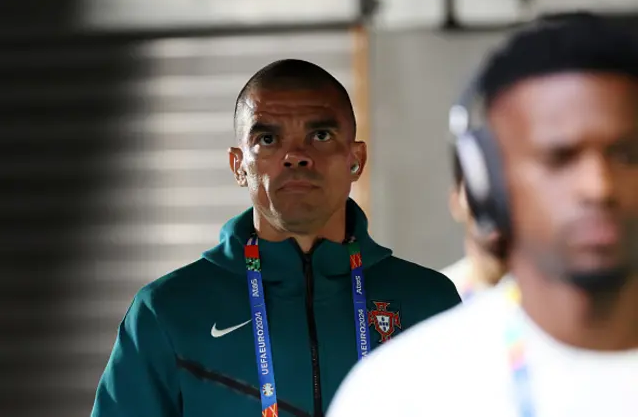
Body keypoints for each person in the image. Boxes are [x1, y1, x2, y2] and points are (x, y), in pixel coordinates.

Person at [90, 59, 461, 417]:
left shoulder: (429, 303)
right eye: (267, 138)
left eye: (320, 135)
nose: (296, 156)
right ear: (239, 166)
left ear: (355, 160)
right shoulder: (167, 312)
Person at [328, 12, 638, 417]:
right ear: (486, 182)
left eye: (629, 155)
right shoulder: (400, 392)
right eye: (559, 159)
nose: (599, 187)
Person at [440, 150, 508, 300]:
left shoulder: (560, 300)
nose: (492, 201)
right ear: (455, 202)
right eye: (479, 184)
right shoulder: (433, 301)